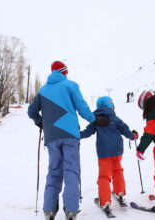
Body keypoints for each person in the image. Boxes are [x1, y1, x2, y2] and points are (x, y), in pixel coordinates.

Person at [28, 61, 110, 220]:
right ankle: (71, 211)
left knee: (54, 171)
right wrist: (94, 119)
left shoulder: (43, 90)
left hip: (51, 137)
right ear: (64, 72)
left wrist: (40, 122)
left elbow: (32, 111)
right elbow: (82, 107)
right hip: (70, 135)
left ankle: (49, 210)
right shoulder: (70, 85)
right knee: (71, 171)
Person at [80, 96, 138, 212]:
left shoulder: (96, 119)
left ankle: (105, 201)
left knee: (104, 176)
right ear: (111, 105)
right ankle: (120, 192)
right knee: (117, 171)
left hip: (104, 152)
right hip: (117, 150)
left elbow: (88, 132)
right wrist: (133, 136)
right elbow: (125, 128)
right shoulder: (114, 117)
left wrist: (78, 135)